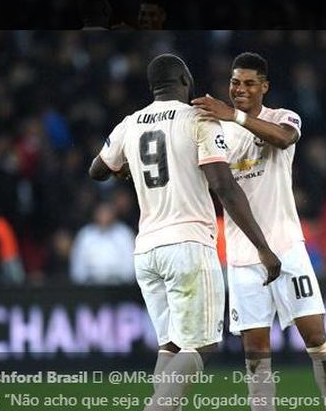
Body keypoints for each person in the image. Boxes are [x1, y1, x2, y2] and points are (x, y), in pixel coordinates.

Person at [89, 53, 281, 411]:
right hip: (188, 245)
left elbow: (97, 170)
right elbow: (223, 185)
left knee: (173, 344)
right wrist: (263, 247)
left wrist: (123, 169)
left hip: (147, 250)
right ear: (183, 81)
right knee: (203, 345)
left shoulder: (130, 124)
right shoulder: (198, 119)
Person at [192, 52, 326, 411]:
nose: (239, 89)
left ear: (264, 86)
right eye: (234, 82)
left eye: (248, 83)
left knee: (317, 340)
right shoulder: (217, 131)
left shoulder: (283, 117)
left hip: (287, 247)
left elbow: (284, 139)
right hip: (244, 257)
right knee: (255, 353)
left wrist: (237, 116)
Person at [69, 202, 136, 285]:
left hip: (119, 287)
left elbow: (130, 265)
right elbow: (78, 266)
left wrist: (124, 281)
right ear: (95, 214)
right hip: (91, 287)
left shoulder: (124, 233)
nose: (104, 216)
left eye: (107, 212)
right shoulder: (85, 234)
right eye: (101, 213)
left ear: (114, 214)